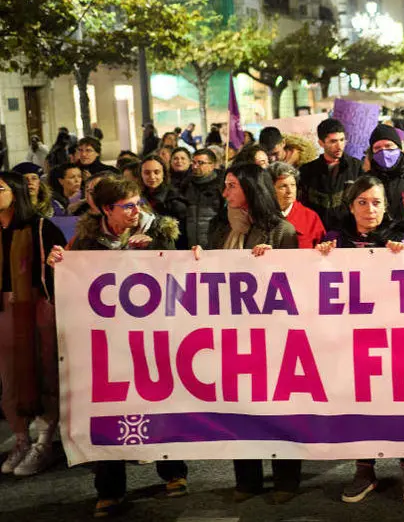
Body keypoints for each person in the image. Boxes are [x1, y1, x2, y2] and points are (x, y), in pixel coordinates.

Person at [47, 176, 188, 517]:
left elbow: (181, 277)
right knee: (107, 409)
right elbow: (68, 289)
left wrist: (155, 255)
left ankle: (173, 470)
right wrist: (58, 265)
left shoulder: (159, 232)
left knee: (157, 401)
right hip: (106, 342)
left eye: (138, 204)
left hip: (150, 336)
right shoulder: (85, 243)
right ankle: (110, 489)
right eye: (127, 207)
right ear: (106, 210)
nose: (136, 212)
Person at [189, 163, 300, 504]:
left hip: (274, 337)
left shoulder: (281, 230)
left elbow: (298, 286)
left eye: (232, 186)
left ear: (251, 189)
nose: (225, 193)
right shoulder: (222, 229)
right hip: (231, 336)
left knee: (277, 408)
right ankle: (247, 479)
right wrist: (196, 261)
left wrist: (275, 263)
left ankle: (285, 478)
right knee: (240, 406)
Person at [323, 177, 404, 504]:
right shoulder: (334, 240)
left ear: (387, 205)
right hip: (351, 338)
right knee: (359, 401)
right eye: (363, 202)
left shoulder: (403, 237)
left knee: (402, 399)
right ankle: (364, 469)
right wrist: (319, 258)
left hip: (396, 337)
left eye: (377, 202)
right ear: (351, 206)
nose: (371, 209)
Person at [0, 171, 65, 479]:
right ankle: (21, 440)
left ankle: (44, 442)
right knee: (8, 380)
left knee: (43, 374)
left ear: (15, 192)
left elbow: (62, 269)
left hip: (37, 310)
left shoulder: (41, 227)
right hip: (3, 312)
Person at [299, 118, 363, 231]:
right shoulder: (307, 171)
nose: (339, 146)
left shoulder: (357, 168)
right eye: (333, 141)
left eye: (342, 140)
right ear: (321, 143)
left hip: (349, 233)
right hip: (317, 232)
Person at [268, 162, 325, 248]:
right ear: (270, 189)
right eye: (283, 186)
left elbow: (323, 250)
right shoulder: (261, 215)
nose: (290, 191)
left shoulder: (310, 217)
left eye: (293, 185)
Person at [180, 148, 224, 248]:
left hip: (214, 245)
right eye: (193, 162)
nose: (195, 166)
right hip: (190, 245)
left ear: (212, 165)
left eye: (200, 163)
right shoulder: (186, 185)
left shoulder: (221, 186)